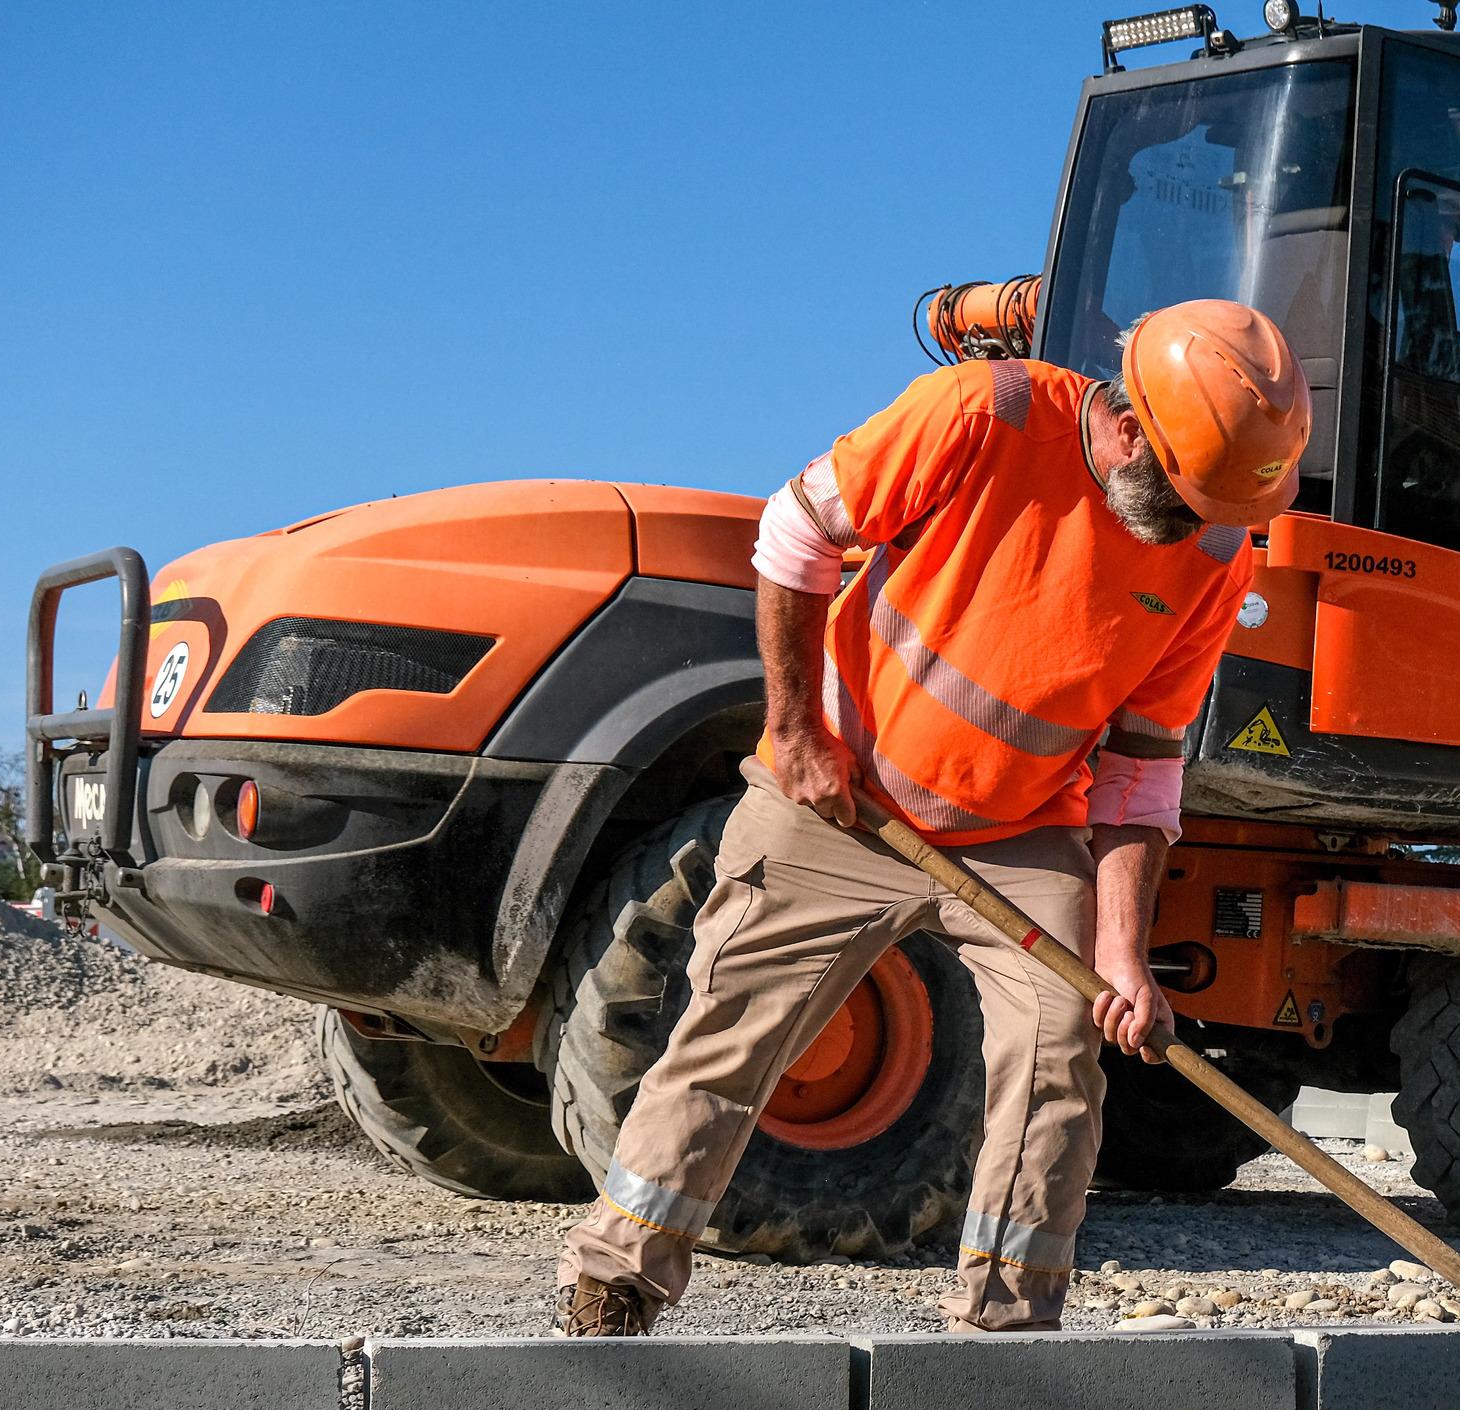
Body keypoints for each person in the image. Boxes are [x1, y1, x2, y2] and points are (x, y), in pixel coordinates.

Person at [553, 300, 1312, 1336]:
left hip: (1020, 829)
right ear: (1130, 428)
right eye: (1183, 499)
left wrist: (1126, 955)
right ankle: (616, 1279)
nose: (1196, 526)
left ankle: (1006, 1324)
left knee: (1060, 1044)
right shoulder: (979, 414)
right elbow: (793, 536)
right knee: (731, 1028)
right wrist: (799, 734)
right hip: (841, 799)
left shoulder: (1215, 556)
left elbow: (1141, 764)